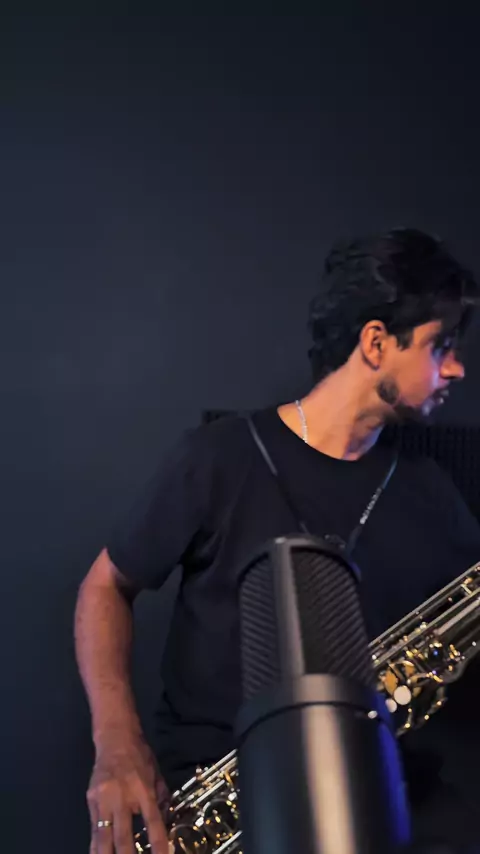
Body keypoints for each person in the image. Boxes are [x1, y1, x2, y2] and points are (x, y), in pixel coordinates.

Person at [75, 227, 480, 854]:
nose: (456, 368)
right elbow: (105, 586)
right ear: (376, 342)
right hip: (216, 808)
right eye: (440, 345)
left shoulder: (434, 493)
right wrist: (117, 743)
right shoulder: (221, 456)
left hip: (374, 807)